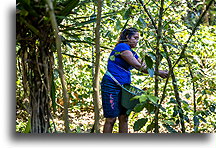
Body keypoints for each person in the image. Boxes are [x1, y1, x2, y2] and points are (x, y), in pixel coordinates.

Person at [101, 27, 168, 133]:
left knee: (124, 117)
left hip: (124, 87)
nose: (137, 41)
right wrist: (159, 73)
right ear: (127, 37)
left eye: (138, 38)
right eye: (135, 38)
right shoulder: (122, 47)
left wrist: (159, 70)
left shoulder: (132, 52)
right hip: (111, 85)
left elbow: (144, 66)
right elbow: (137, 65)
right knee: (111, 118)